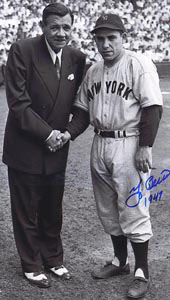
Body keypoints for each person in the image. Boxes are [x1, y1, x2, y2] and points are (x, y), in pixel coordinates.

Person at [60, 13, 163, 299]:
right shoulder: (93, 70)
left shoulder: (137, 64)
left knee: (133, 207)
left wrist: (145, 146)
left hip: (129, 143)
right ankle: (120, 261)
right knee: (107, 208)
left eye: (111, 38)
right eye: (100, 38)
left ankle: (141, 271)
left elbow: (152, 107)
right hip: (100, 143)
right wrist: (68, 133)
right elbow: (81, 111)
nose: (105, 44)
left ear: (122, 38)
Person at [2, 2, 88, 288]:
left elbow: (82, 106)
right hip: (26, 148)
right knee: (26, 210)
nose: (61, 33)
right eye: (54, 27)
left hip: (57, 148)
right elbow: (18, 102)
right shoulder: (22, 50)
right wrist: (48, 134)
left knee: (52, 209)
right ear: (43, 27)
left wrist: (68, 134)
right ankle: (31, 264)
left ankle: (53, 259)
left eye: (66, 27)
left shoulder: (77, 57)